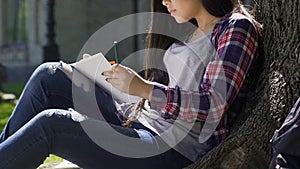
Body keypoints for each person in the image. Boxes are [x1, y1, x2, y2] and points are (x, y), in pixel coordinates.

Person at [0, 0, 263, 168]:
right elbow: (162, 97)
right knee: (51, 74)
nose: (164, 2)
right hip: (143, 123)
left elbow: (213, 106)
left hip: (171, 148)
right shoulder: (188, 32)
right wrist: (105, 79)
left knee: (53, 125)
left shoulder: (235, 28)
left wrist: (143, 88)